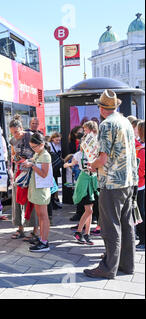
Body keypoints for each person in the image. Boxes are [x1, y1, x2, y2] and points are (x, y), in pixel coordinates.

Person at [84, 89, 138, 279]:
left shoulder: (107, 125)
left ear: (101, 107)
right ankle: (127, 265)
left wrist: (92, 166)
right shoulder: (125, 121)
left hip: (112, 182)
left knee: (110, 226)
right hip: (129, 180)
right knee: (127, 223)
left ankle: (108, 267)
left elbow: (103, 158)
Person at [64, 121, 99, 245]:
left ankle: (87, 234)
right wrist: (66, 164)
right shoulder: (79, 154)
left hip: (92, 182)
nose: (86, 145)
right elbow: (72, 163)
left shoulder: (94, 154)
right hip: (84, 182)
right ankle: (79, 232)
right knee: (89, 210)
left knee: (90, 209)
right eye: (85, 143)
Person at [9, 115, 39, 241]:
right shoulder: (12, 141)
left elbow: (39, 154)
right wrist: (15, 159)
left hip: (32, 171)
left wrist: (26, 160)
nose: (15, 135)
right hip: (18, 171)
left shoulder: (31, 137)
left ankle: (35, 230)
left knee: (31, 200)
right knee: (17, 201)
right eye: (12, 133)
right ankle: (20, 228)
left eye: (16, 132)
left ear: (22, 128)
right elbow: (13, 154)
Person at [22, 132, 53, 252]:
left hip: (41, 189)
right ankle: (42, 238)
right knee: (40, 216)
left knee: (43, 216)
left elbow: (44, 174)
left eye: (34, 146)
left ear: (41, 144)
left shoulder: (45, 155)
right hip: (37, 188)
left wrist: (31, 165)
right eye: (31, 147)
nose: (33, 149)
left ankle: (44, 242)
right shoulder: (38, 153)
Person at [135, 120, 145, 251]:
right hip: (141, 183)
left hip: (140, 183)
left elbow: (140, 170)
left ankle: (143, 239)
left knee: (141, 212)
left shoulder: (141, 149)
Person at [49, 132, 63, 209]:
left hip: (55, 167)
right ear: (52, 138)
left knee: (55, 183)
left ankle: (54, 200)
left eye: (59, 140)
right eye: (56, 140)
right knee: (52, 183)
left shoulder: (59, 145)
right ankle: (52, 201)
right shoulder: (49, 145)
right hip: (52, 166)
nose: (58, 141)